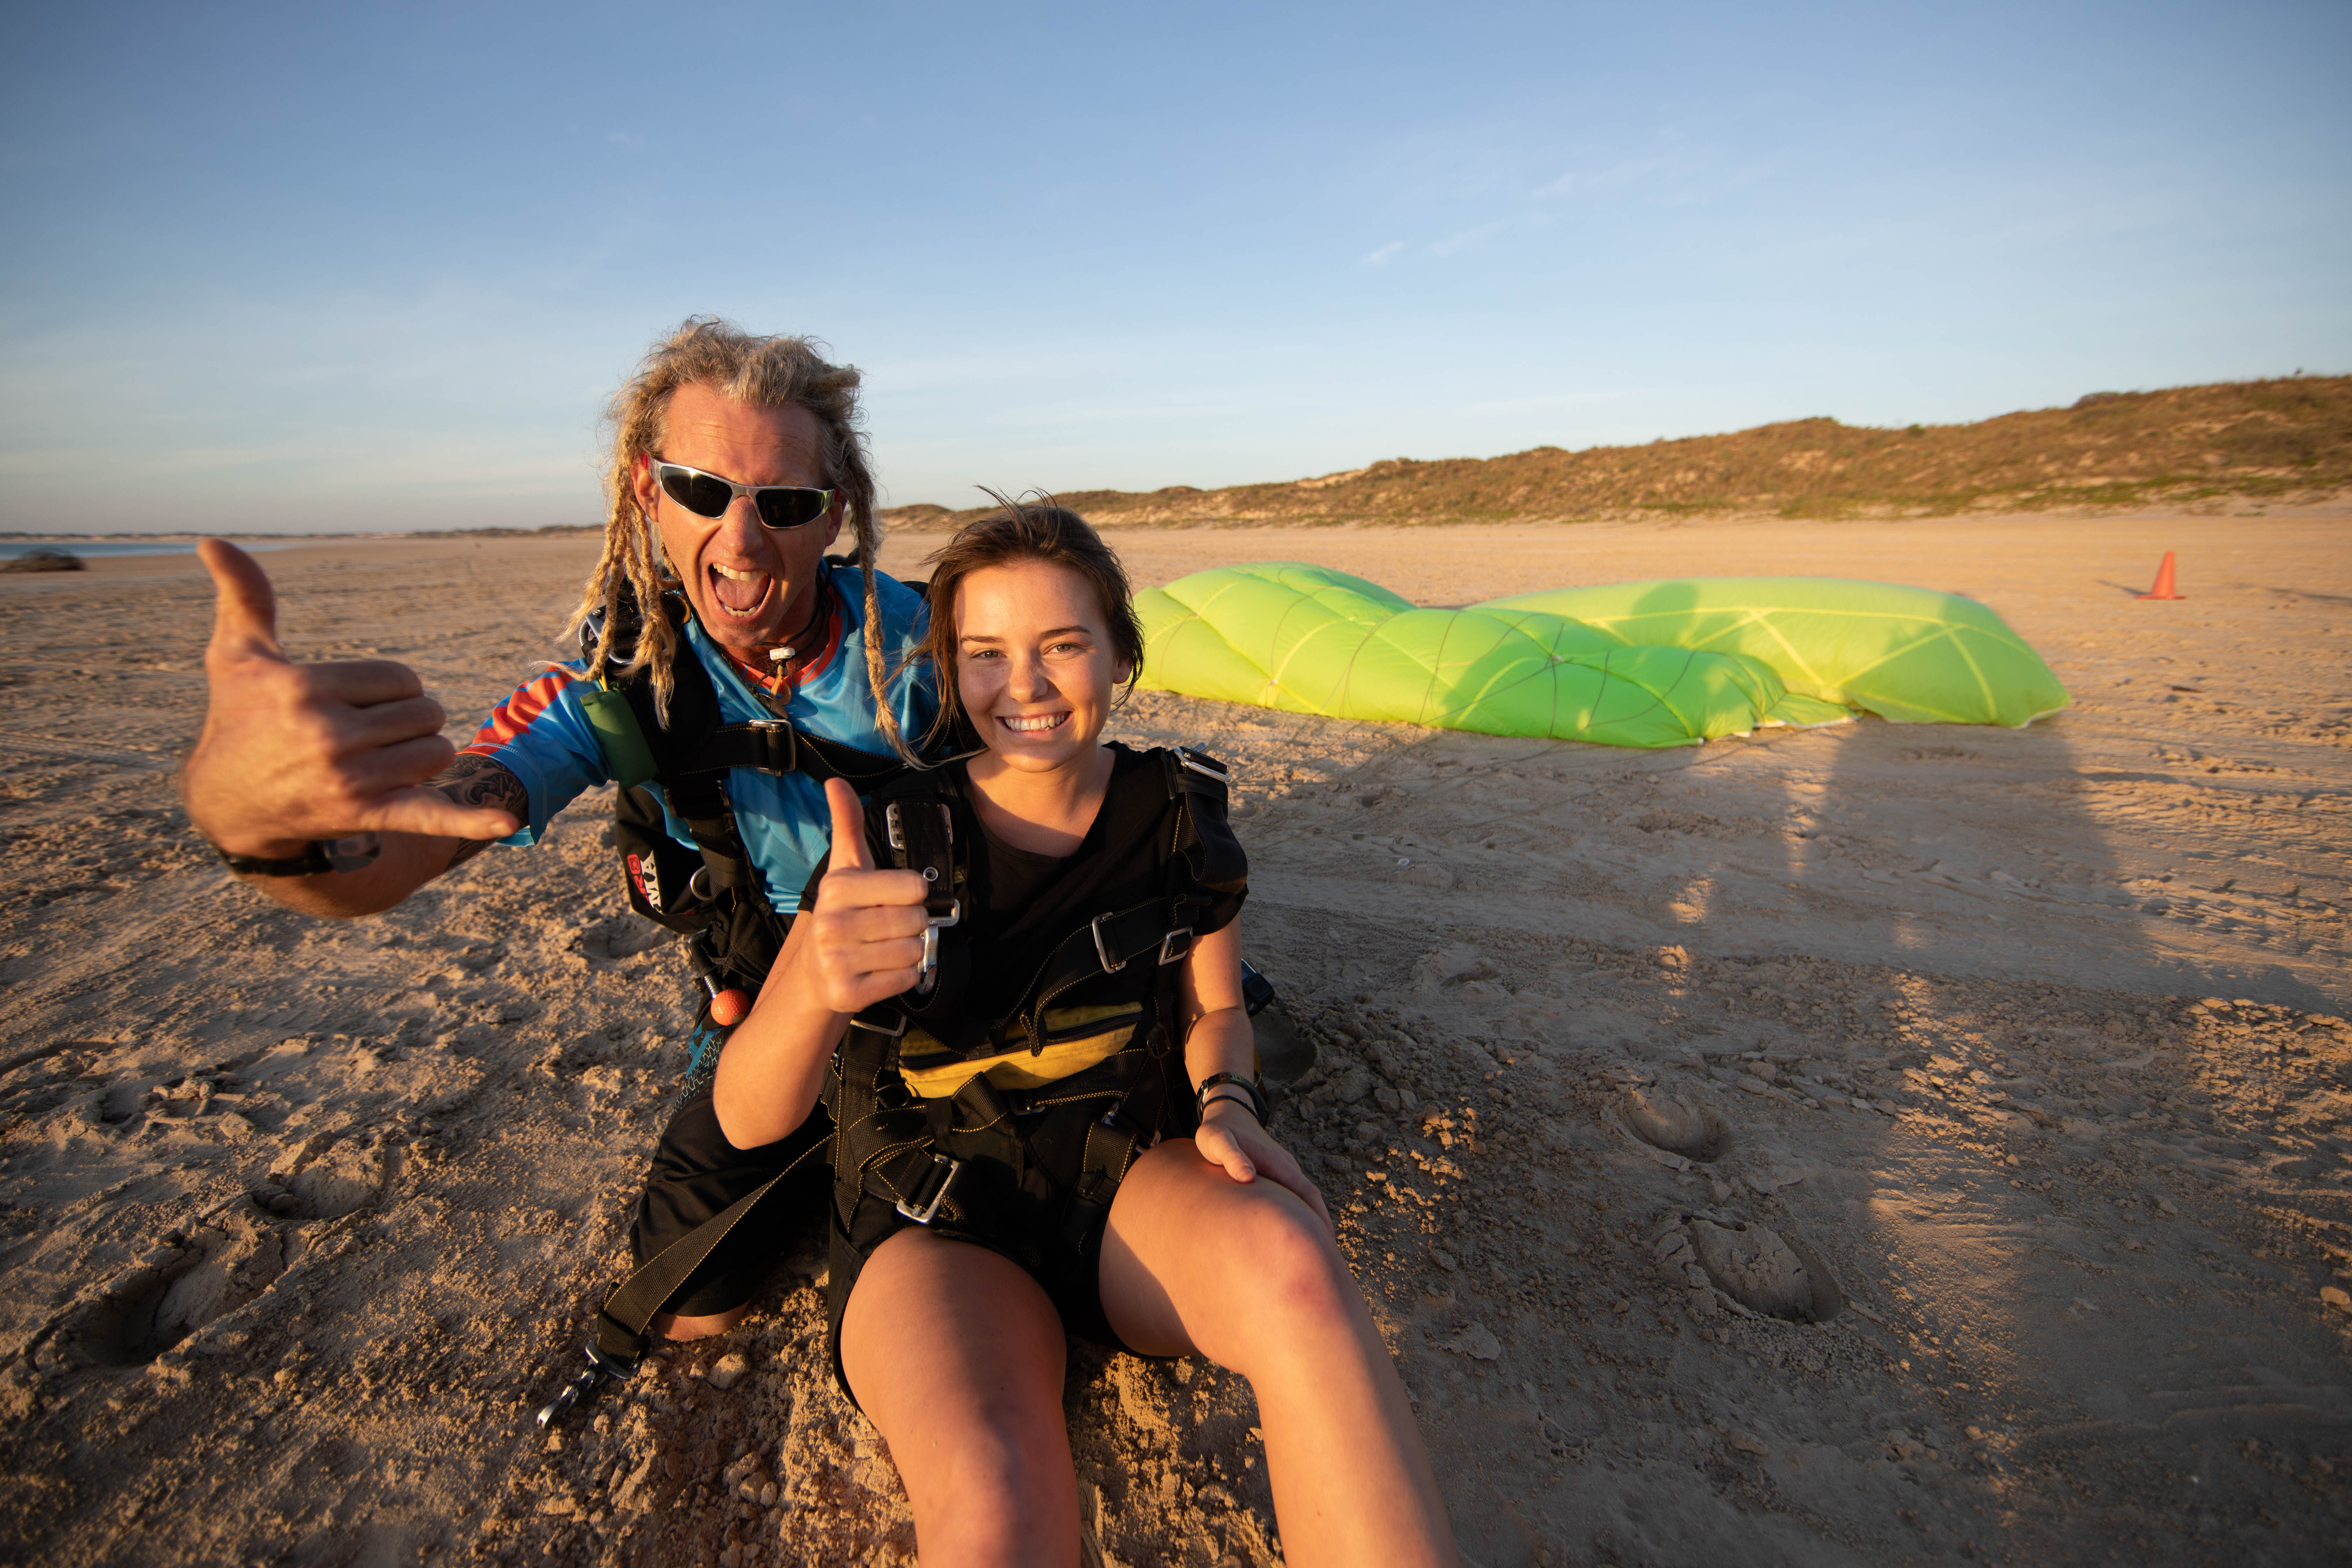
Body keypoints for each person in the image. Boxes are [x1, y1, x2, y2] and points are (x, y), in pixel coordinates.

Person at [706, 500, 1459, 1567]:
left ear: (1119, 654)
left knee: (1296, 1264)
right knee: (993, 1481)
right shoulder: (887, 836)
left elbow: (1217, 1008)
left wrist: (1229, 1106)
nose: (1025, 686)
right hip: (937, 1220)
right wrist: (813, 986)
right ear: (951, 668)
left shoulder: (1179, 816)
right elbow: (747, 1114)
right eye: (986, 654)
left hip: (1122, 1183)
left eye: (1062, 645)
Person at [179, 318, 935, 1338]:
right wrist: (271, 835)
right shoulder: (620, 681)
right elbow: (435, 826)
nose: (744, 540)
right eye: (702, 491)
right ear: (645, 491)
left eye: (785, 503)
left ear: (833, 516)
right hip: (765, 1007)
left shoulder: (932, 642)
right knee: (687, 1304)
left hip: (931, 987)